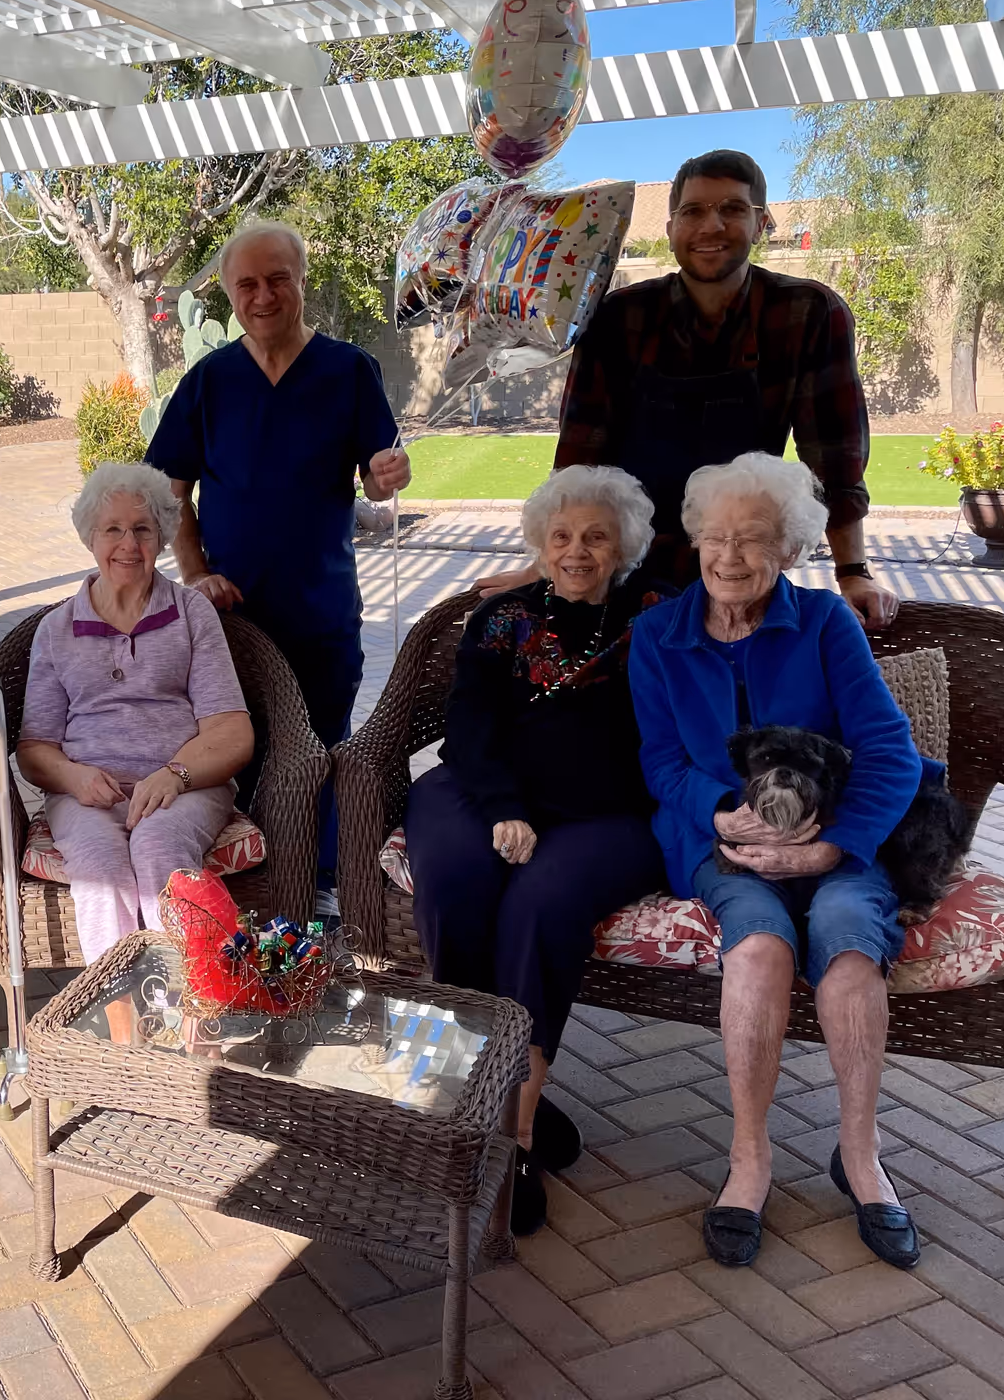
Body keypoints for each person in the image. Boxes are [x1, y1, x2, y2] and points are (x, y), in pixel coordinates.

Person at [629, 453, 929, 1271]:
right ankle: (750, 1159)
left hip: (838, 844)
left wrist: (838, 843)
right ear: (692, 540)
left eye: (753, 540)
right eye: (715, 537)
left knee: (845, 943)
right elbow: (660, 763)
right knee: (758, 949)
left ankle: (861, 1156)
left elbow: (891, 754)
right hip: (723, 847)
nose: (730, 558)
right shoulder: (658, 635)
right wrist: (718, 813)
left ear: (791, 549)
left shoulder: (826, 625)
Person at [407, 467, 670, 1236]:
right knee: (455, 877)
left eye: (595, 536)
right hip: (486, 795)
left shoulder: (656, 618)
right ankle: (478, 1088)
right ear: (539, 545)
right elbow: (471, 725)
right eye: (561, 536)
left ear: (624, 544)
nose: (577, 550)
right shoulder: (502, 618)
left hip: (604, 814)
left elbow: (670, 731)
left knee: (537, 906)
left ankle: (513, 1138)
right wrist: (505, 808)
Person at [479, 150, 899, 630]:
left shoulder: (808, 313)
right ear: (671, 227)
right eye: (694, 211)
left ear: (761, 224)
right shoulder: (620, 317)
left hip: (738, 565)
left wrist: (853, 573)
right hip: (624, 568)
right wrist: (542, 567)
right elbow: (580, 458)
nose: (711, 225)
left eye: (733, 209)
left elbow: (835, 458)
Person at [145, 220, 410, 905]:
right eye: (247, 284)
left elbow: (379, 480)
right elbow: (169, 491)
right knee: (247, 750)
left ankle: (319, 888)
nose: (263, 295)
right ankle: (258, 885)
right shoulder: (208, 381)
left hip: (321, 608)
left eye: (277, 279)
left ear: (301, 281)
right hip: (233, 619)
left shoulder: (350, 370)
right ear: (230, 294)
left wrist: (387, 472)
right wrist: (194, 572)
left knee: (321, 750)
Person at [17, 462, 255, 963]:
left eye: (143, 529)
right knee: (101, 868)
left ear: (163, 536)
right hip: (87, 793)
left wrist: (175, 774)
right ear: (90, 538)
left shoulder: (192, 613)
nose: (128, 544)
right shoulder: (56, 630)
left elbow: (232, 732)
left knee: (157, 849)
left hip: (185, 786)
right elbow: (34, 749)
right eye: (113, 530)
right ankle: (122, 1020)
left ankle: (196, 1008)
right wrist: (74, 778)